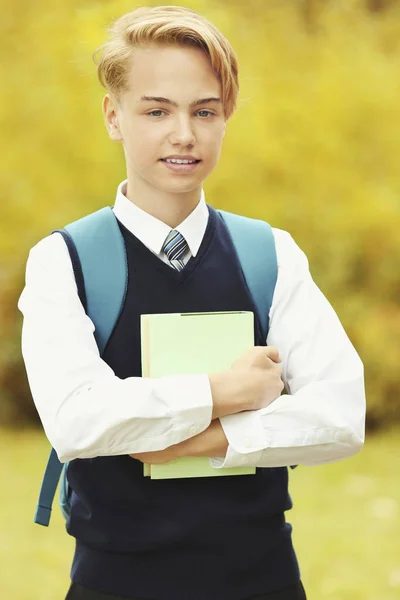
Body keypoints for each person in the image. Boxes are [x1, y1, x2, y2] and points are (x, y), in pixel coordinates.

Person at [17, 5, 366, 600]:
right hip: (116, 581)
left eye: (204, 111)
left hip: (263, 579)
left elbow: (340, 414)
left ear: (225, 117)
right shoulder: (63, 260)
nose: (184, 134)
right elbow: (76, 420)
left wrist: (202, 439)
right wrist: (223, 392)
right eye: (157, 110)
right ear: (114, 116)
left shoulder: (270, 254)